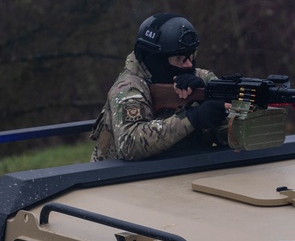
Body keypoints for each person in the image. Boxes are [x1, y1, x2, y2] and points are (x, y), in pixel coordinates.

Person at [90, 13, 230, 161]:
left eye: (191, 55)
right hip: (118, 177)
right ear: (157, 61)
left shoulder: (203, 78)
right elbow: (129, 144)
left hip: (187, 169)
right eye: (180, 58)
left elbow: (236, 136)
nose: (189, 64)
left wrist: (207, 98)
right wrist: (191, 118)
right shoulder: (128, 87)